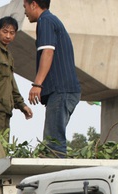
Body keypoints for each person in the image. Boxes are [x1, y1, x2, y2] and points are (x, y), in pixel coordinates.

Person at [24, 0, 81, 157]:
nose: (25, 11)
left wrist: (37, 84)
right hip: (65, 90)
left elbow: (48, 52)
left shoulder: (45, 21)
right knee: (52, 141)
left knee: (53, 143)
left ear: (34, 4)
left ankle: (57, 179)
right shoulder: (51, 20)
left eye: (25, 7)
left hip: (61, 90)